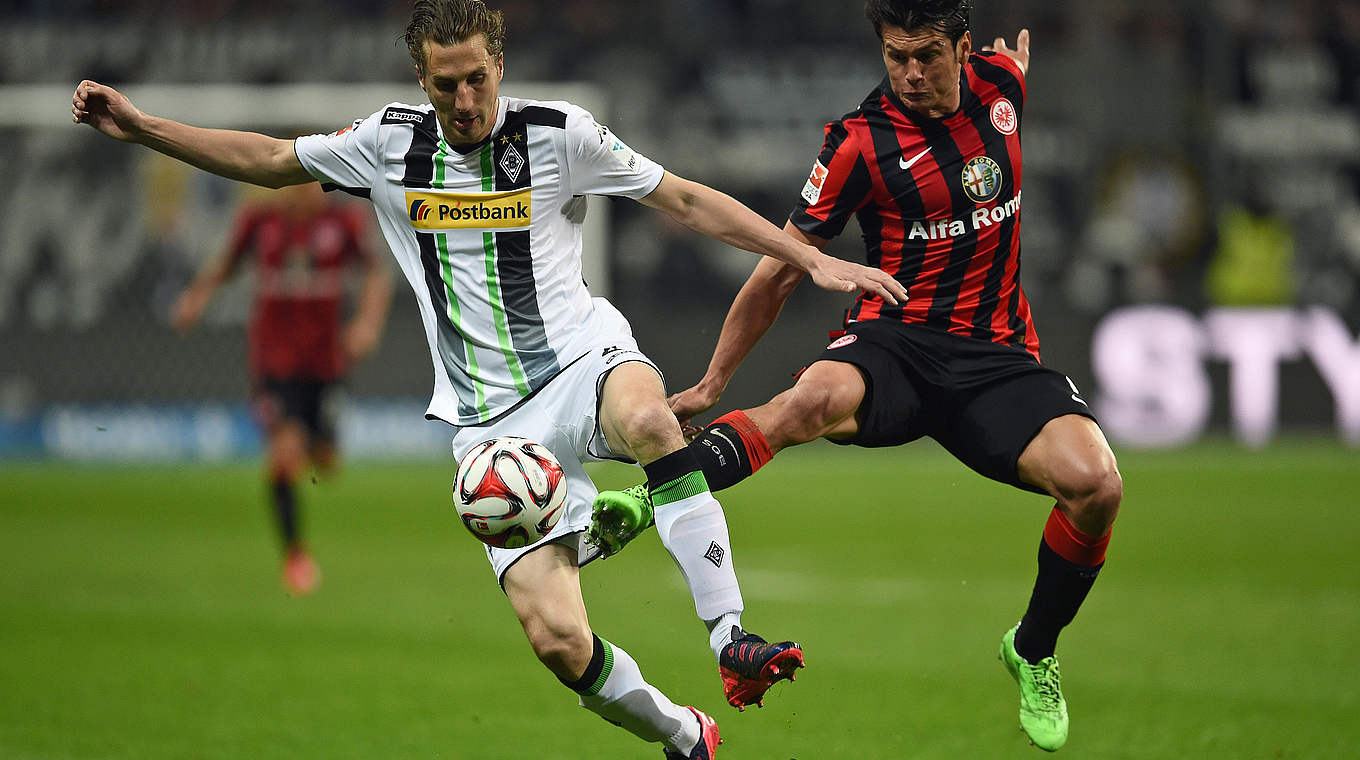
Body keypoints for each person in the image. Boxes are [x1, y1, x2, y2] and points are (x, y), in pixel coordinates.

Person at [73, 1, 909, 756]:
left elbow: (684, 199)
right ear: (422, 79)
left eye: (477, 79)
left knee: (652, 421)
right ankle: (684, 731)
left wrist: (806, 255)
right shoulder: (387, 144)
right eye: (447, 85)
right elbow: (267, 157)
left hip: (582, 361)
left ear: (499, 66)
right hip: (486, 425)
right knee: (557, 641)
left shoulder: (559, 133)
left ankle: (731, 639)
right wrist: (144, 128)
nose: (465, 100)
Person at [591, 0, 1123, 752]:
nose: (909, 73)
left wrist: (1014, 66)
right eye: (895, 56)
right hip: (894, 341)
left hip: (997, 357)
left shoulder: (1004, 86)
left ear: (963, 48)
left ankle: (1032, 648)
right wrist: (711, 384)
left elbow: (1007, 77)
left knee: (1098, 486)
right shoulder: (858, 143)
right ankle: (653, 498)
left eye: (927, 56)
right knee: (808, 400)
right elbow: (779, 272)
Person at [170, 181, 393, 596]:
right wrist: (196, 297)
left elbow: (377, 272)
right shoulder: (260, 221)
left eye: (307, 183)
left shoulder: (341, 223)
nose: (299, 194)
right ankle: (295, 556)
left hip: (326, 365)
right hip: (274, 366)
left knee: (325, 462)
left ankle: (315, 443)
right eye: (291, 183)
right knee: (285, 456)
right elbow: (226, 263)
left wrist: (367, 322)